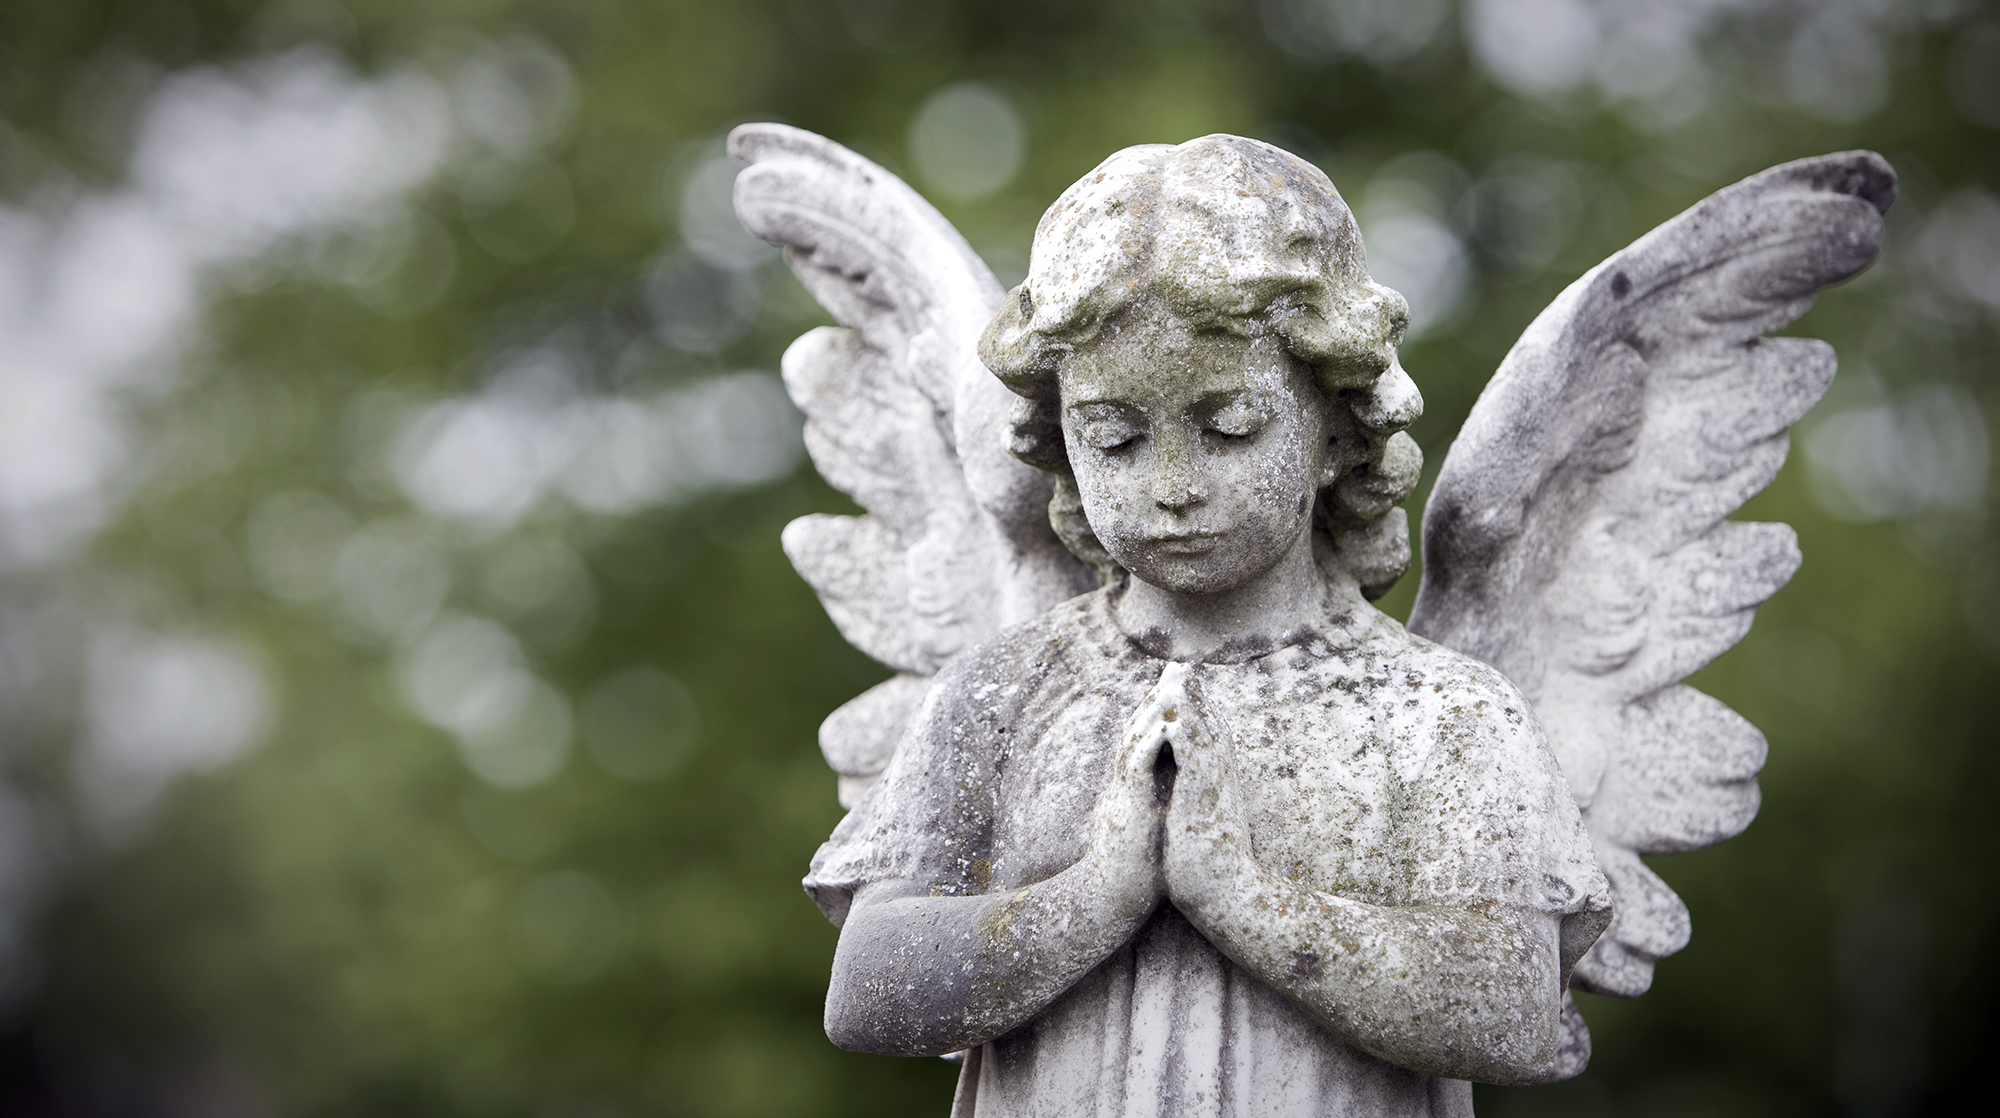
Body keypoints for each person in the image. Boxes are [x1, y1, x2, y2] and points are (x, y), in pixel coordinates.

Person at [803, 135, 1612, 1118]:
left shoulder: (1434, 708)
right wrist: (1097, 893)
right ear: (1060, 437)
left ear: (1331, 427)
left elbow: (1514, 1009)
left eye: (1230, 428)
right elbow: (868, 989)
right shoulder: (999, 691)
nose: (1172, 487)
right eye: (1114, 437)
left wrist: (1236, 892)